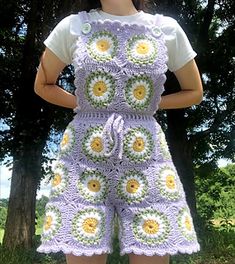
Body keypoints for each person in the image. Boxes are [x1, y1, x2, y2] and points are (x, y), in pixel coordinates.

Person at [34, 0, 203, 264]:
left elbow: (194, 91)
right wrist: (90, 105)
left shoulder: (166, 29)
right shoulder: (73, 27)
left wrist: (149, 107)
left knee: (154, 246)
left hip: (146, 158)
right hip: (83, 161)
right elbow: (43, 85)